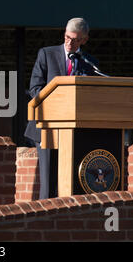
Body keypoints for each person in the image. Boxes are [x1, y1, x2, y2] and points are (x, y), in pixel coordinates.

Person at [23, 17, 98, 199]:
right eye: (67, 37)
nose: (70, 43)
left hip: (75, 131)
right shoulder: (46, 54)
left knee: (71, 183)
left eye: (75, 40)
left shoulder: (89, 63)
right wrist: (58, 103)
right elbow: (35, 88)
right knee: (48, 185)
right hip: (46, 128)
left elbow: (92, 94)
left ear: (84, 40)